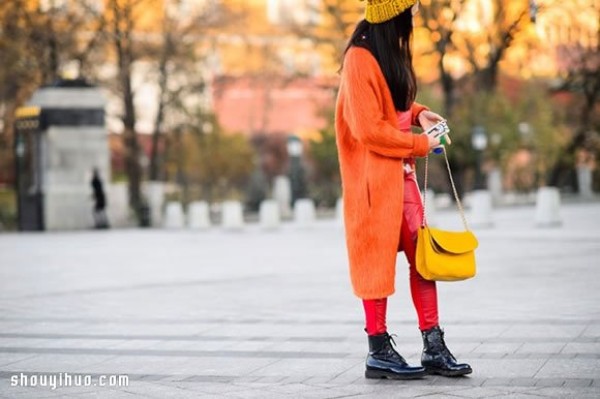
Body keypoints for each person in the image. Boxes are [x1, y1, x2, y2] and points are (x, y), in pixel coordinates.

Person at [335, 0, 472, 380]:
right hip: (373, 183)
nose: (415, 15)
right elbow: (368, 129)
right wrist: (419, 144)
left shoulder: (386, 52)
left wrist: (418, 113)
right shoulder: (359, 59)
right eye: (409, 8)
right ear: (392, 14)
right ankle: (378, 349)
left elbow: (392, 107)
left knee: (423, 258)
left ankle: (434, 345)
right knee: (374, 261)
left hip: (403, 177)